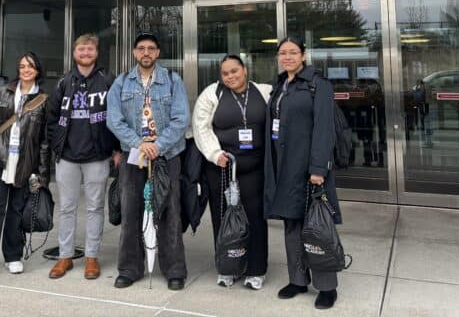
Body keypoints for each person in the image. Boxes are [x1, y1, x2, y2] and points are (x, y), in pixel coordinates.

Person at [106, 33, 190, 290]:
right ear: (134, 53)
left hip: (167, 155)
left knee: (169, 212)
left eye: (151, 48)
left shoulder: (173, 81)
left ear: (158, 52)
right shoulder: (121, 83)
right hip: (134, 157)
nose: (146, 52)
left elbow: (181, 118)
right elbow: (114, 120)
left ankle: (174, 270)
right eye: (141, 48)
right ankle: (130, 268)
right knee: (132, 211)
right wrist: (139, 144)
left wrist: (157, 145)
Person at [265, 36, 342, 310]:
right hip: (284, 167)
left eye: (293, 52)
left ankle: (326, 286)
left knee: (317, 226)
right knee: (291, 225)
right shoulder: (279, 86)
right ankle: (297, 279)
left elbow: (324, 129)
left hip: (309, 168)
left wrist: (319, 169)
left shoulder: (318, 85)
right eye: (283, 53)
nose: (287, 57)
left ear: (304, 55)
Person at [192, 55, 272, 290]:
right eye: (225, 73)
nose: (230, 76)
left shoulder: (264, 92)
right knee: (223, 217)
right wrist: (215, 154)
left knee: (256, 218)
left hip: (254, 169)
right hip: (222, 169)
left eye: (234, 71)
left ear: (244, 70)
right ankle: (228, 266)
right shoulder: (211, 94)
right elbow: (200, 127)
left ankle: (256, 269)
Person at [45, 33, 120, 280]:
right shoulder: (64, 82)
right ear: (75, 53)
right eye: (81, 49)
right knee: (66, 208)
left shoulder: (108, 80)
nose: (85, 53)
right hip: (67, 157)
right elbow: (52, 116)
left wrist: (116, 148)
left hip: (97, 156)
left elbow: (119, 116)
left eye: (90, 49)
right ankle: (65, 256)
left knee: (95, 208)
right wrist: (58, 145)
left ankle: (91, 257)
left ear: (96, 53)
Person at [0, 53, 50, 282]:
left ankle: (13, 255)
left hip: (25, 164)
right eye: (22, 66)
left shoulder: (43, 99)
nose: (25, 70)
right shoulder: (3, 92)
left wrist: (42, 175)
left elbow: (44, 141)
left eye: (30, 66)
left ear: (37, 70)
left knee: (16, 210)